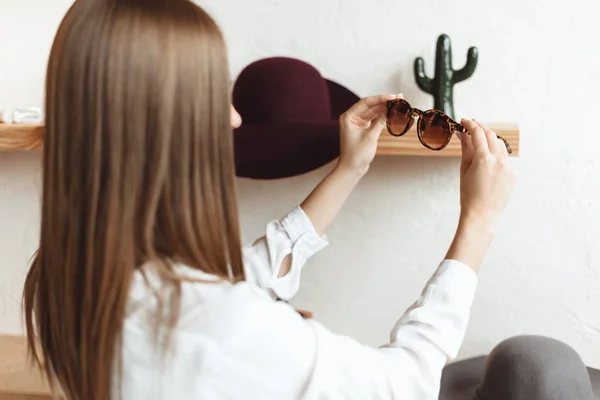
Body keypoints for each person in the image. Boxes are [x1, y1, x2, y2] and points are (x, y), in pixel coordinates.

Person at [22, 1, 516, 399]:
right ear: (167, 127)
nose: (234, 121)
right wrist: (478, 223)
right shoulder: (222, 331)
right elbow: (405, 385)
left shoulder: (67, 275)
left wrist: (349, 169)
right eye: (215, 95)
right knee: (535, 365)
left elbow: (244, 274)